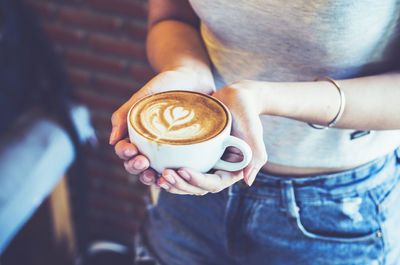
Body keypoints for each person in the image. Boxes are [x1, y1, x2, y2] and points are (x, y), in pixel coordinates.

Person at [109, 0, 400, 264]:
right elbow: (173, 16)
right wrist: (187, 70)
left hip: (336, 213)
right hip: (188, 191)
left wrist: (264, 97)